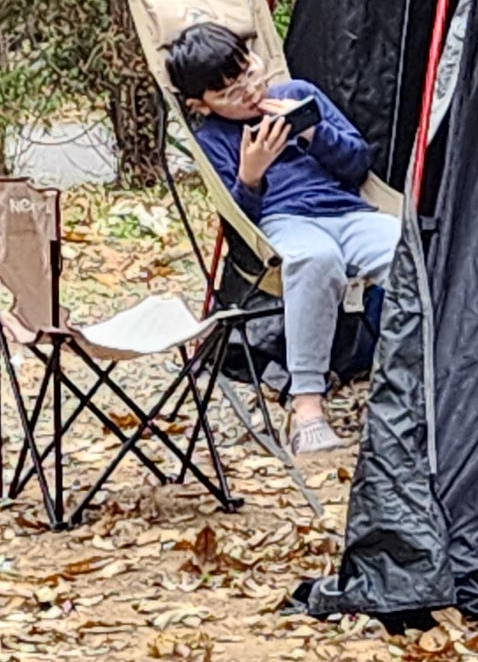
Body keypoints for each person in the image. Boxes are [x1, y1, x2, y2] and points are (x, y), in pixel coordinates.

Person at [161, 23, 391, 457]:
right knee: (316, 260)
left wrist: (310, 132)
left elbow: (358, 163)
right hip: (284, 223)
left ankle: (416, 380)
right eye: (228, 92)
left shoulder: (300, 93)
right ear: (201, 105)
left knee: (410, 251)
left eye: (247, 72)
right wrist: (251, 174)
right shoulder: (214, 138)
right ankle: (307, 405)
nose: (247, 92)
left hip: (349, 212)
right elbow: (241, 225)